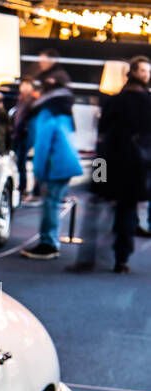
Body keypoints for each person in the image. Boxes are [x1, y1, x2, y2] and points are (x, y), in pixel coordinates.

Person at [69, 56, 151, 273]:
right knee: (127, 211)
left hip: (106, 162)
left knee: (96, 207)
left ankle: (88, 258)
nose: (146, 75)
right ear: (134, 72)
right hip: (134, 166)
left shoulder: (114, 101)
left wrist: (98, 171)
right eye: (144, 71)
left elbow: (102, 133)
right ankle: (121, 260)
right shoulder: (146, 102)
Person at [21, 75, 84, 260]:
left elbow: (42, 145)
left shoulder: (46, 113)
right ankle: (50, 241)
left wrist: (38, 172)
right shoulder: (63, 113)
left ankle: (48, 243)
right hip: (65, 163)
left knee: (50, 204)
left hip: (56, 165)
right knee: (53, 203)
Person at [11, 78, 37, 198]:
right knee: (18, 160)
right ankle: (20, 186)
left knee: (21, 161)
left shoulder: (32, 103)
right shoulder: (22, 101)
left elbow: (26, 120)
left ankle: (22, 187)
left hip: (25, 135)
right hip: (19, 134)